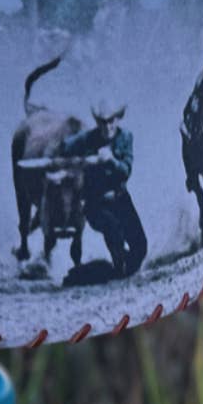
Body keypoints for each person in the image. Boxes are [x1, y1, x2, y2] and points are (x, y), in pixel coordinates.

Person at [59, 100, 147, 278]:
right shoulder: (88, 138)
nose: (107, 126)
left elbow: (125, 171)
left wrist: (110, 159)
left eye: (111, 121)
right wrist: (78, 157)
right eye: (102, 122)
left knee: (140, 247)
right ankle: (117, 265)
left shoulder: (126, 138)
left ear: (117, 119)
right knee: (113, 230)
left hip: (120, 198)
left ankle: (102, 270)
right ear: (98, 122)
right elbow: (64, 147)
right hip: (95, 204)